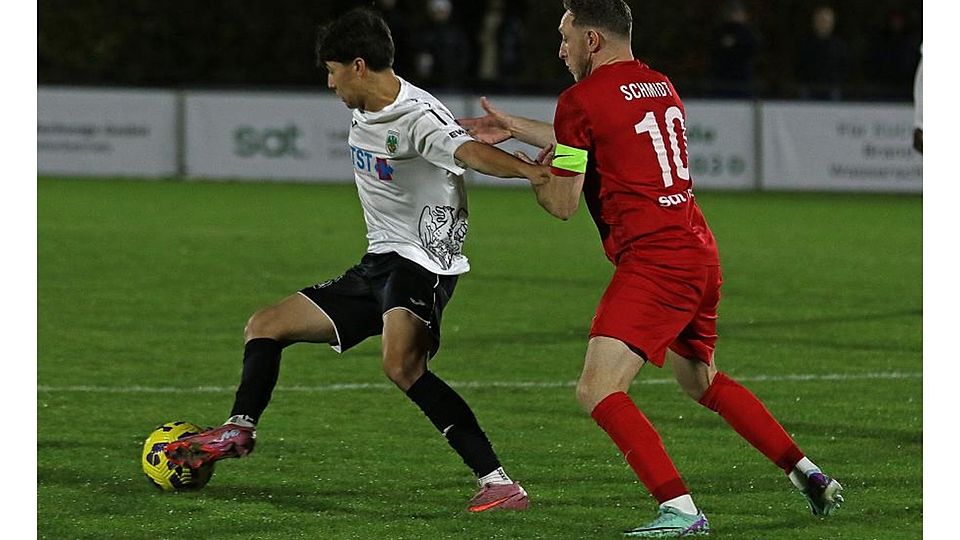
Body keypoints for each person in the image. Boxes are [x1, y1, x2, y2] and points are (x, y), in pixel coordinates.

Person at [459, 0, 843, 535]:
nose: (560, 49)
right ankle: (808, 475)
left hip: (655, 261)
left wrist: (523, 171)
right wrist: (519, 129)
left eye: (565, 37)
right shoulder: (660, 86)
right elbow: (602, 133)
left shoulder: (580, 99)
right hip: (696, 249)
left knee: (598, 389)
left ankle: (680, 510)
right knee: (700, 379)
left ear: (592, 41)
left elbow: (563, 203)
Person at [165, 7, 548, 513]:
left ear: (358, 66)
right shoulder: (366, 106)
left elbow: (470, 154)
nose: (329, 83)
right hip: (378, 264)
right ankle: (239, 430)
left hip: (422, 262)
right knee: (266, 324)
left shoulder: (418, 117)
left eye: (331, 70)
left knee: (402, 366)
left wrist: (534, 173)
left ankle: (499, 484)